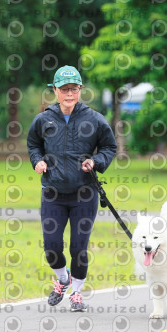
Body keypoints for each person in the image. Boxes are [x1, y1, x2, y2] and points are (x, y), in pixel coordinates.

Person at [27, 65, 117, 312]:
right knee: (52, 248)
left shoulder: (94, 119)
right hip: (53, 193)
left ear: (80, 90)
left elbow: (109, 147)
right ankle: (63, 279)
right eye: (65, 89)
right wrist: (38, 161)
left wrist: (96, 162)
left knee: (79, 247)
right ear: (54, 90)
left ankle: (76, 292)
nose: (69, 94)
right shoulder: (43, 119)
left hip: (84, 193)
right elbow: (34, 145)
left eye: (74, 89)